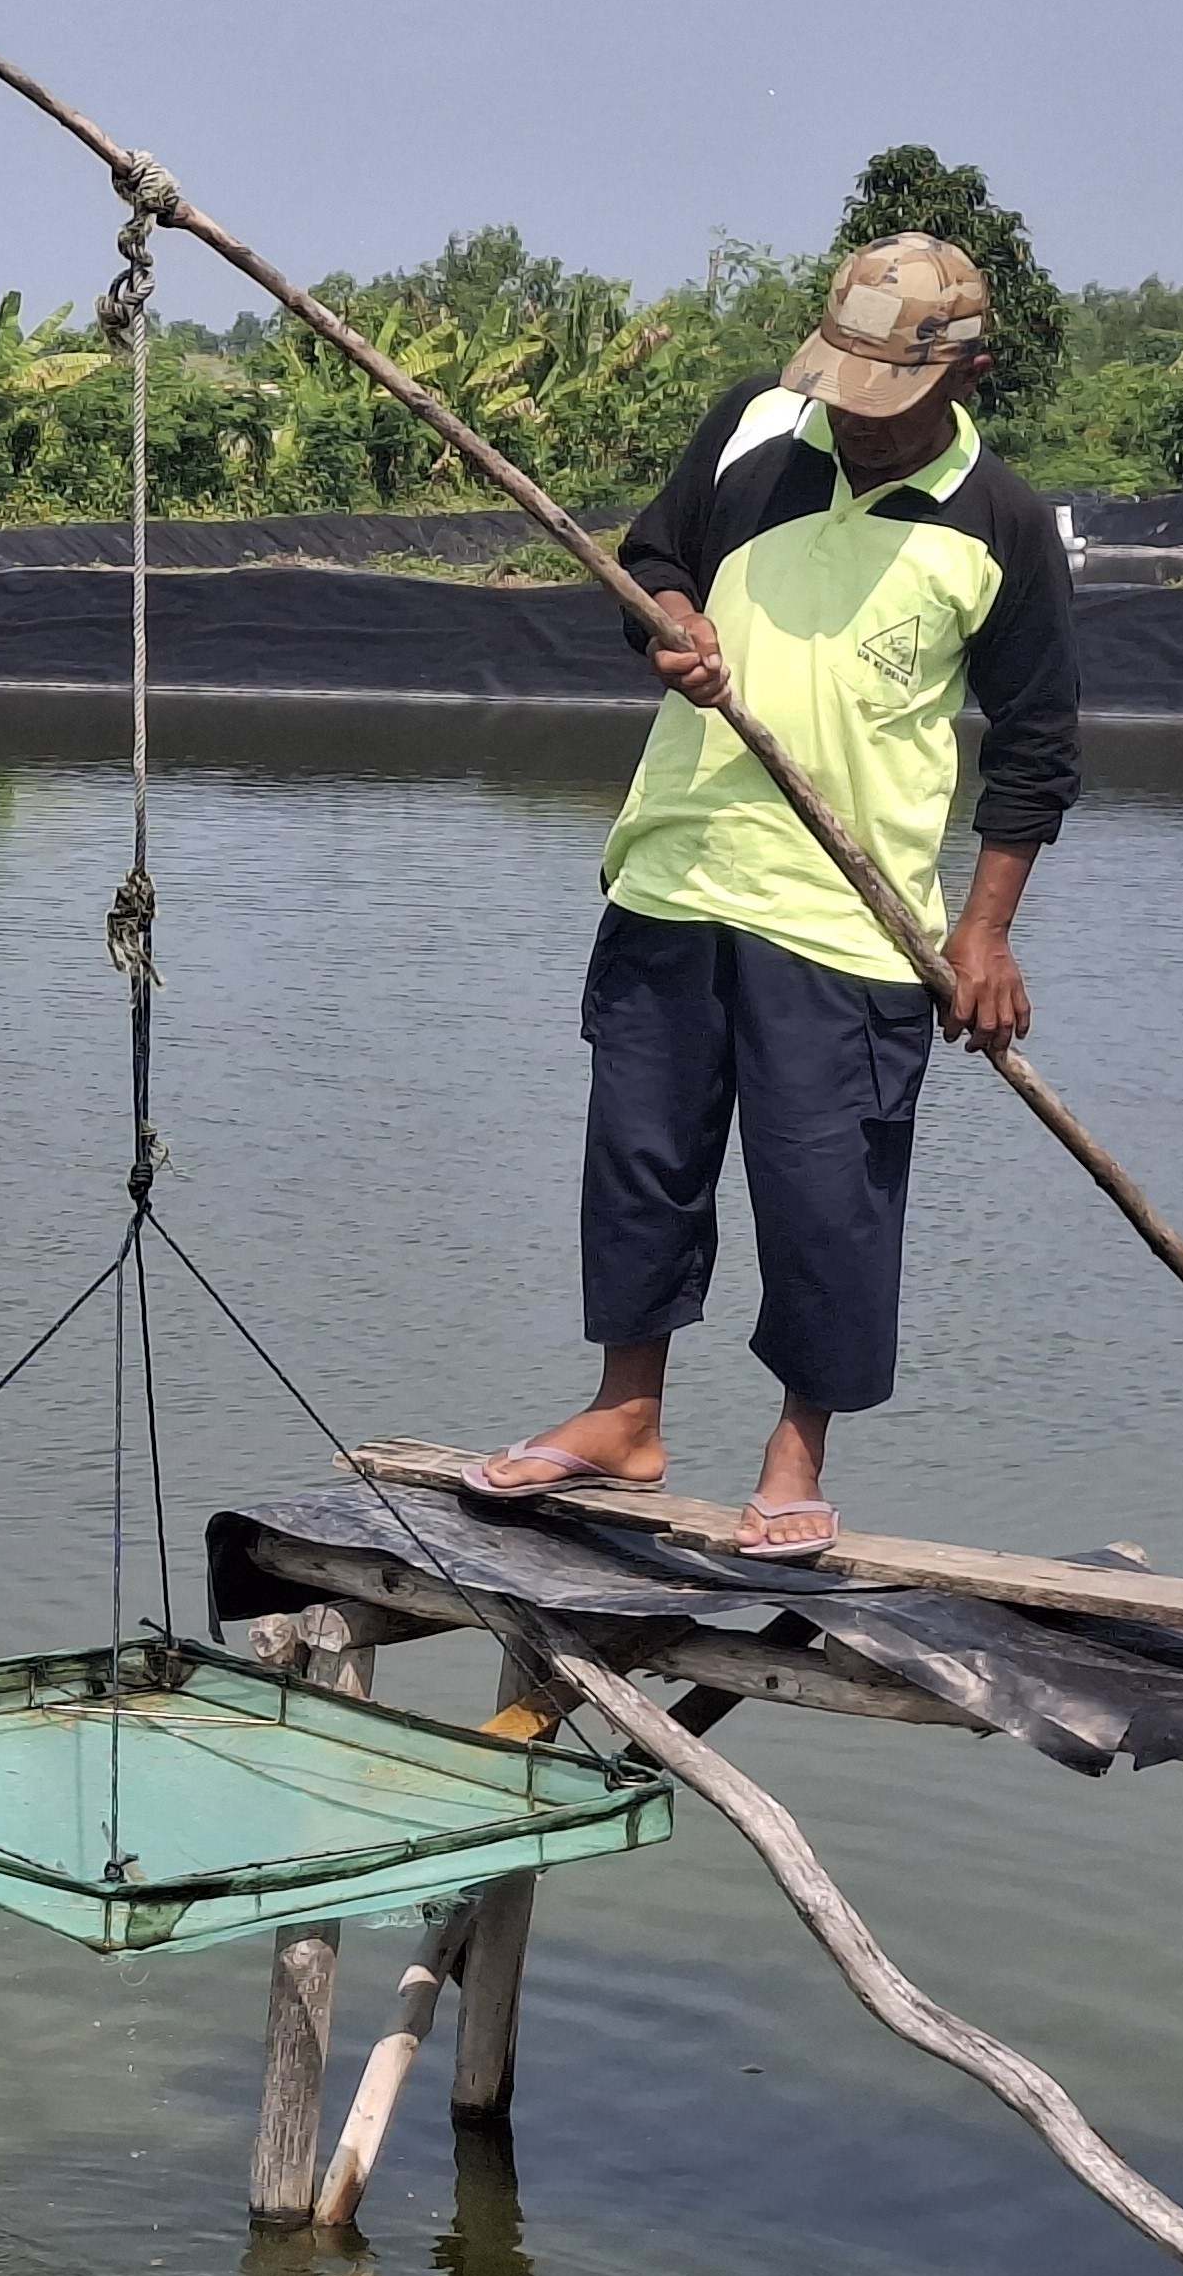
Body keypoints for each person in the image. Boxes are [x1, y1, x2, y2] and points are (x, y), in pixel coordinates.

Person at [459, 232, 1077, 1552]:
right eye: (842, 385)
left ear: (967, 374)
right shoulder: (754, 426)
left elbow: (1037, 748)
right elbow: (652, 556)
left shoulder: (1002, 525)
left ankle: (792, 1463)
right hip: (676, 874)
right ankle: (625, 1417)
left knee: (823, 1194)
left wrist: (981, 932)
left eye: (888, 399)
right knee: (639, 1160)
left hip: (847, 926)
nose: (853, 424)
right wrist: (669, 622)